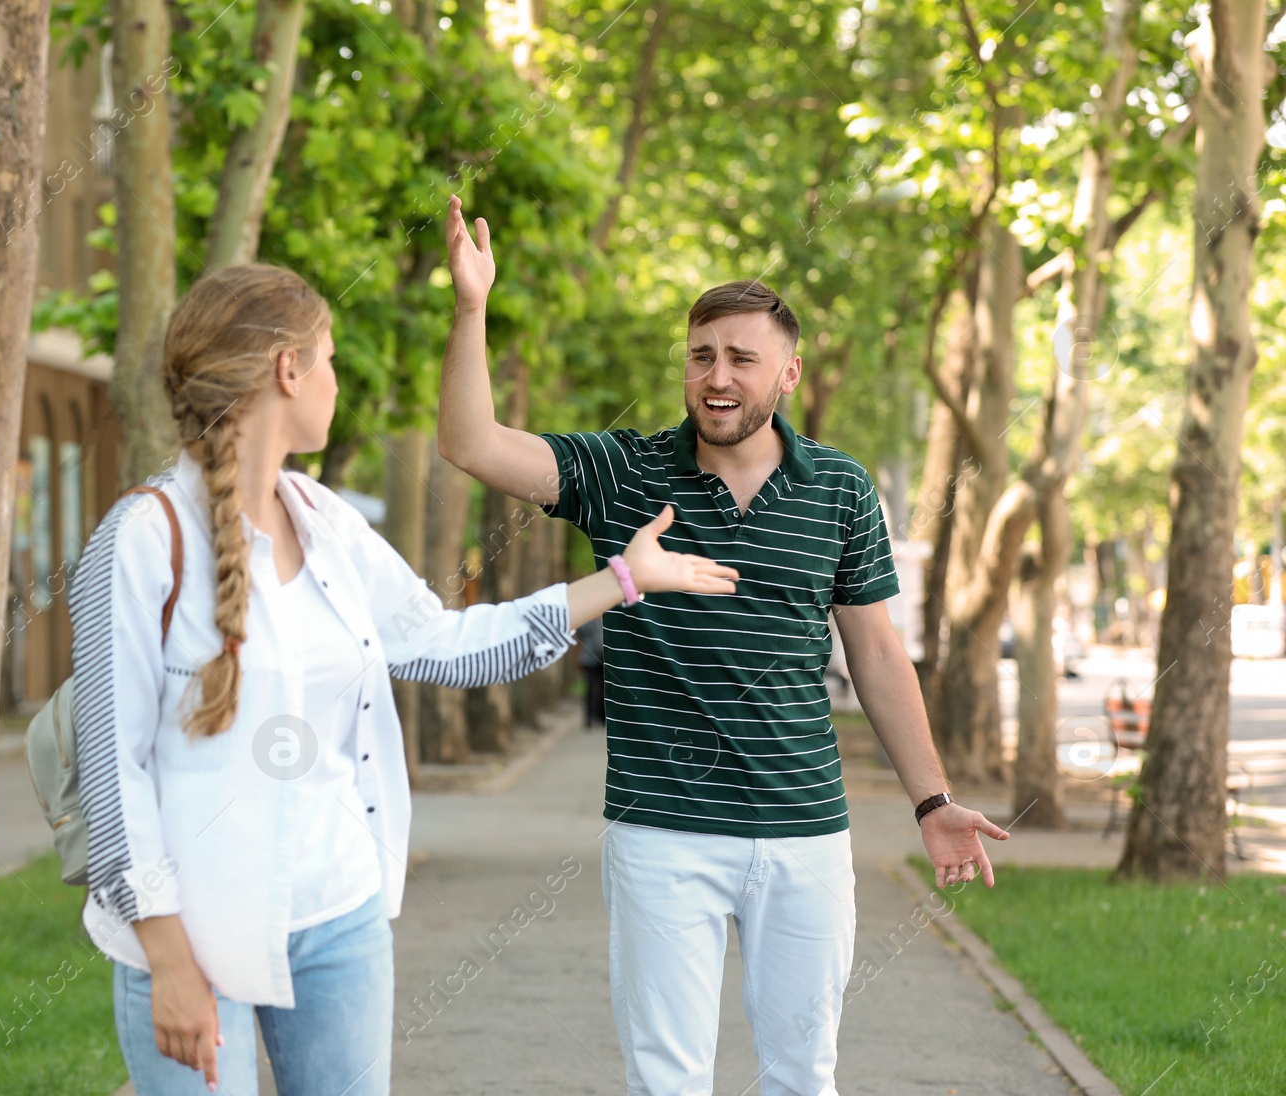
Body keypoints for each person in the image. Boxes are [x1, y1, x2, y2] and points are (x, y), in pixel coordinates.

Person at [67, 263, 742, 1096]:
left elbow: (445, 647)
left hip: (338, 916)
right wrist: (166, 957)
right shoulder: (138, 539)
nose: (337, 381)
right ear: (288, 369)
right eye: (332, 358)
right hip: (193, 928)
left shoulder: (328, 524)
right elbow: (111, 771)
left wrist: (619, 581)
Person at [436, 196, 1011, 1096]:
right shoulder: (622, 471)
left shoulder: (841, 489)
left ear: (786, 374)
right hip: (662, 831)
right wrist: (472, 308)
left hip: (805, 834)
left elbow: (877, 656)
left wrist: (932, 800)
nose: (718, 374)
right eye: (703, 354)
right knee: (667, 1081)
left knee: (801, 1076)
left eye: (743, 357)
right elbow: (469, 442)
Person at [575, 614, 605, 728]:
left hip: (604, 659)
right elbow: (579, 638)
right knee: (590, 688)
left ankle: (603, 717)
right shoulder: (586, 620)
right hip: (588, 658)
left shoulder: (606, 619)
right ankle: (589, 718)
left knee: (603, 688)